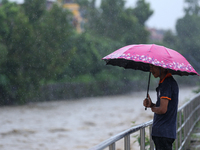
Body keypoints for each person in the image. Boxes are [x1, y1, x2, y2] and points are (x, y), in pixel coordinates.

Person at [143, 64, 179, 150]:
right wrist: (151, 104)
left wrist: (152, 109)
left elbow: (163, 109)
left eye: (153, 67)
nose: (151, 70)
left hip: (163, 132)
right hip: (164, 132)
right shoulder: (164, 83)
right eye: (150, 67)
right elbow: (163, 106)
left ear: (162, 68)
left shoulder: (167, 83)